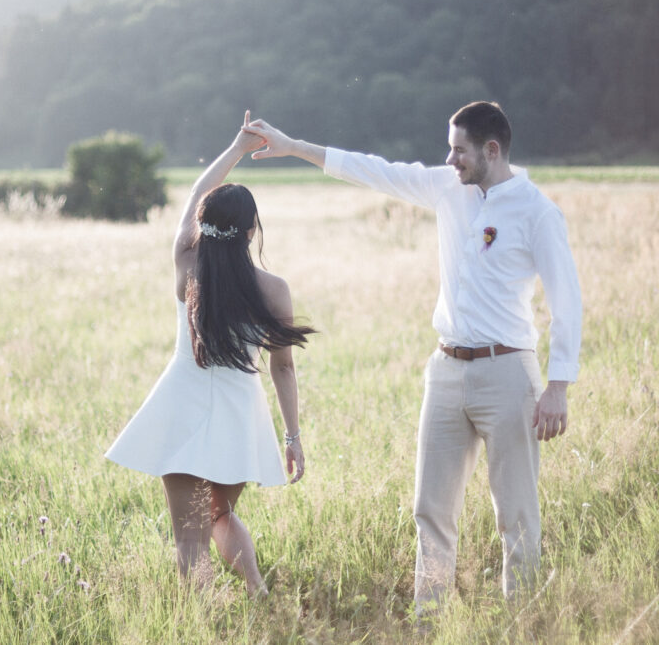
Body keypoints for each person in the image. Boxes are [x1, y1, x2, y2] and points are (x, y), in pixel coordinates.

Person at [243, 101, 581, 612]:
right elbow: (374, 170)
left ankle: (524, 622)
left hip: (509, 373)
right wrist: (293, 147)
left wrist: (557, 386)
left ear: (492, 150)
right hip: (445, 371)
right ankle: (429, 622)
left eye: (459, 150)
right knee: (430, 510)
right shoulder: (449, 188)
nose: (450, 160)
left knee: (516, 514)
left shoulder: (537, 212)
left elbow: (567, 302)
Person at [105, 111, 313, 597]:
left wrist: (237, 148)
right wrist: (293, 436)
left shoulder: (186, 263)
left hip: (182, 406)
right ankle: (257, 591)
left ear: (205, 224)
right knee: (220, 514)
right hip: (240, 416)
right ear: (250, 232)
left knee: (190, 538)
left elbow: (191, 203)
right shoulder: (274, 290)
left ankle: (201, 621)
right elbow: (283, 367)